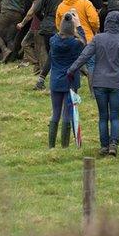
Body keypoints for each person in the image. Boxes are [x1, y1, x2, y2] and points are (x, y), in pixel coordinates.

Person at [66, 11, 119, 158]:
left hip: (99, 83)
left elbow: (84, 56)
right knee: (115, 116)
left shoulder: (97, 39)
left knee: (103, 116)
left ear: (106, 22)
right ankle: (113, 144)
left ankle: (104, 146)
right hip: (116, 84)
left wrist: (71, 70)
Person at [44, 12, 85, 148]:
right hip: (70, 81)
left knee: (55, 113)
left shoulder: (53, 41)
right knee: (67, 114)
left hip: (55, 80)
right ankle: (65, 145)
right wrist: (78, 26)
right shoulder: (75, 44)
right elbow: (84, 42)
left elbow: (57, 36)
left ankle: (51, 145)